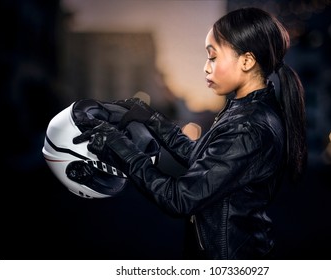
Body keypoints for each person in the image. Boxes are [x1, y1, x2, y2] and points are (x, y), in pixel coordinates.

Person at [73, 6, 307, 260]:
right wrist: (152, 118)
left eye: (213, 57)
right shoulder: (243, 110)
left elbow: (180, 197)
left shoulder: (248, 125)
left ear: (247, 61)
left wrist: (120, 147)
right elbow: (202, 158)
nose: (206, 68)